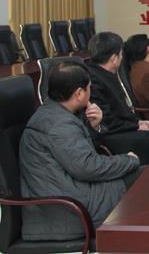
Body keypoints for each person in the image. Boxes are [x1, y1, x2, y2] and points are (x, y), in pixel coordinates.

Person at [19, 61, 141, 241]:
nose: (91, 92)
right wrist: (129, 160)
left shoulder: (57, 113)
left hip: (70, 195)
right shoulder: (59, 125)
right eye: (89, 88)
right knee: (144, 178)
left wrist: (95, 127)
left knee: (142, 177)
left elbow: (79, 153)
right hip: (67, 212)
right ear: (78, 93)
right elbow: (88, 167)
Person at [87, 32, 149, 165]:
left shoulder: (104, 74)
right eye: (121, 54)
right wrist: (136, 126)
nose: (122, 58)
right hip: (115, 138)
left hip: (125, 130)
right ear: (114, 59)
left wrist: (139, 122)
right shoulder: (93, 81)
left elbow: (122, 111)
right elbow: (107, 121)